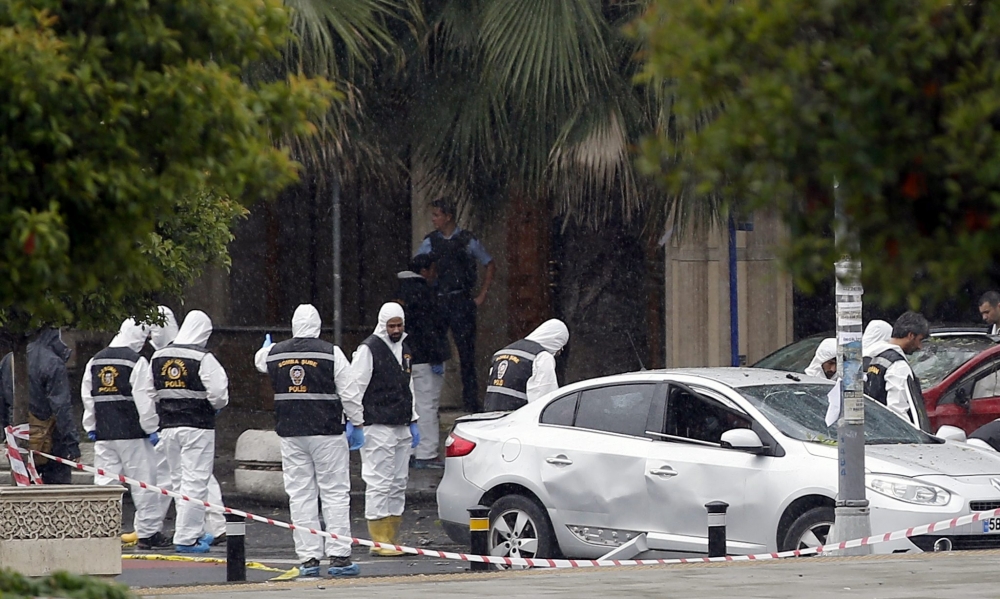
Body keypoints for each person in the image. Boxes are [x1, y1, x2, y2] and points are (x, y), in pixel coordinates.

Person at [254, 304, 365, 578]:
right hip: (327, 432)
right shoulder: (331, 353)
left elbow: (259, 361)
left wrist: (268, 348)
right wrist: (357, 422)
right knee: (334, 492)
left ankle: (308, 558)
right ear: (317, 325)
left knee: (300, 495)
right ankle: (339, 556)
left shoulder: (275, 353)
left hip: (291, 432)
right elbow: (350, 393)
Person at [133, 306, 226, 548]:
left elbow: (148, 391)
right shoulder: (203, 357)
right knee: (196, 481)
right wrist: (213, 406)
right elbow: (218, 393)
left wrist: (155, 420)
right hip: (198, 426)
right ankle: (187, 537)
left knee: (178, 481)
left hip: (168, 427)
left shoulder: (159, 357)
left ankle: (191, 531)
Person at [82, 318, 171, 549]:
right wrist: (152, 428)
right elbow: (144, 400)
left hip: (104, 432)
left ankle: (102, 529)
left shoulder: (95, 360)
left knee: (106, 482)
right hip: (133, 434)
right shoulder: (135, 361)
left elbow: (88, 397)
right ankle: (148, 534)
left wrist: (90, 426)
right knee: (144, 483)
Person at [415, 199, 495, 413]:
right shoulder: (431, 241)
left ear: (448, 217)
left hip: (461, 301)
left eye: (437, 215)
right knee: (434, 351)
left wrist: (482, 295)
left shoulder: (466, 240)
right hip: (439, 301)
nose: (434, 220)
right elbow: (418, 266)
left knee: (467, 354)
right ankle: (431, 401)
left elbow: (489, 263)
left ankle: (471, 403)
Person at [352, 303, 419, 557]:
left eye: (399, 325)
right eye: (392, 326)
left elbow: (409, 386)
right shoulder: (369, 350)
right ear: (383, 325)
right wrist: (354, 421)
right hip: (377, 424)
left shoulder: (405, 349)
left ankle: (392, 535)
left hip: (401, 423)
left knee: (398, 481)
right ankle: (379, 538)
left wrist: (413, 419)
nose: (396, 330)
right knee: (379, 480)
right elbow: (356, 386)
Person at [0, 329, 80, 484]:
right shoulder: (53, 362)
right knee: (57, 493)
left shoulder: (8, 360)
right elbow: (61, 407)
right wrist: (72, 444)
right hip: (52, 441)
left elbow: (2, 403)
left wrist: (6, 434)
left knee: (22, 490)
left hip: (17, 438)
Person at [396, 254, 449, 469]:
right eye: (433, 269)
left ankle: (410, 451)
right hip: (426, 360)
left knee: (411, 406)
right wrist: (436, 356)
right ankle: (426, 453)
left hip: (405, 359)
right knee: (427, 407)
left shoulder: (398, 292)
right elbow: (431, 329)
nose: (435, 274)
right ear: (424, 271)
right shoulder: (425, 293)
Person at [863, 311, 931, 431]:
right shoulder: (898, 365)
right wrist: (910, 436)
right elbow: (898, 410)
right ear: (911, 335)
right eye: (919, 340)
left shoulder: (874, 358)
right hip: (893, 435)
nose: (920, 346)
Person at [483, 319, 570, 412]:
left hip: (491, 415)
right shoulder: (542, 357)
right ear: (556, 341)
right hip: (517, 416)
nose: (559, 352)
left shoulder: (502, 353)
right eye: (561, 347)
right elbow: (544, 399)